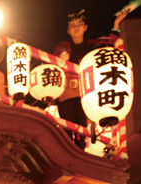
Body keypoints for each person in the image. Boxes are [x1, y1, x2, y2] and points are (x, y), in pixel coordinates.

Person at [53, 9, 129, 149]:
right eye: (72, 25)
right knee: (67, 127)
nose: (76, 28)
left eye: (79, 24)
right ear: (68, 30)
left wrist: (116, 24)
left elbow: (109, 44)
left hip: (86, 93)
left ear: (85, 28)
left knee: (82, 126)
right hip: (66, 93)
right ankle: (68, 151)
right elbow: (54, 62)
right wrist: (62, 57)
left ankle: (80, 152)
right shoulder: (62, 46)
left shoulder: (92, 46)